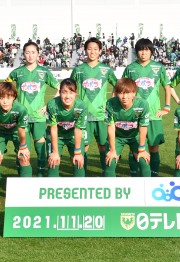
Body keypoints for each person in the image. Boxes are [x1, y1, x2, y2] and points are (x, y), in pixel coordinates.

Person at [6, 41, 59, 176]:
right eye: (27, 52)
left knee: (40, 149)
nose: (30, 55)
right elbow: (4, 88)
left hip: (38, 117)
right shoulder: (17, 72)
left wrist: (49, 105)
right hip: (21, 118)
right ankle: (23, 178)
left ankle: (41, 177)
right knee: (23, 149)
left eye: (33, 52)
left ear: (38, 54)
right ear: (23, 54)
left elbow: (59, 89)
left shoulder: (44, 72)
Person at [122, 38, 171, 177]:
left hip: (154, 114)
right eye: (140, 50)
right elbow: (122, 88)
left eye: (146, 50)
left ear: (151, 52)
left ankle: (154, 174)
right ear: (137, 51)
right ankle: (134, 174)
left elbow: (167, 87)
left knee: (153, 147)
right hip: (134, 115)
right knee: (135, 147)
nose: (143, 53)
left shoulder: (159, 67)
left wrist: (167, 107)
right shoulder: (130, 68)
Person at [70, 37, 117, 174]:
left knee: (104, 146)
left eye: (95, 49)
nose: (92, 52)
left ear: (100, 51)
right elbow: (70, 88)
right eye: (89, 49)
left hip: (102, 115)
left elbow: (118, 85)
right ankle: (81, 175)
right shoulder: (79, 70)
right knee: (83, 147)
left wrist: (110, 102)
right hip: (83, 115)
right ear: (85, 50)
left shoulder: (106, 69)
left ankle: (106, 172)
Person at [0, 82, 32, 208]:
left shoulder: (21, 109)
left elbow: (22, 130)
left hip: (18, 132)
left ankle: (26, 194)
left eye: (8, 97)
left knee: (24, 157)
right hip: (0, 133)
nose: (5, 101)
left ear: (14, 97)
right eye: (1, 98)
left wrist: (23, 147)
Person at [103, 78, 151, 177]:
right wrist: (112, 150)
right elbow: (111, 127)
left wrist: (141, 149)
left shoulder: (142, 104)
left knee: (144, 161)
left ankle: (147, 190)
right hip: (117, 137)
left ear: (134, 93)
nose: (124, 96)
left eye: (128, 93)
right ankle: (110, 190)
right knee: (110, 162)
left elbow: (143, 127)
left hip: (135, 136)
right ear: (116, 93)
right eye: (120, 93)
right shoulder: (110, 103)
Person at [46, 78, 88, 177]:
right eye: (64, 92)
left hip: (74, 136)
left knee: (78, 162)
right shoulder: (52, 105)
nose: (68, 96)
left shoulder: (82, 106)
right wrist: (55, 152)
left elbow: (78, 129)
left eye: (71, 92)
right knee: (53, 161)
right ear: (59, 92)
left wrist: (77, 152)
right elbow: (53, 128)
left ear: (76, 93)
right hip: (57, 135)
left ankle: (79, 188)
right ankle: (53, 188)